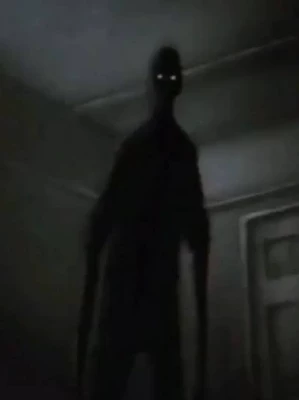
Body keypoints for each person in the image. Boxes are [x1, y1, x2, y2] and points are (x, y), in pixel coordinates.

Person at [77, 45, 210, 400]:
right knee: (112, 379)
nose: (166, 83)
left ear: (178, 83)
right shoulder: (137, 148)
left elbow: (197, 228)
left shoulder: (180, 152)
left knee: (161, 379)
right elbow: (105, 214)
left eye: (171, 76)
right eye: (161, 76)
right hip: (125, 287)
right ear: (153, 83)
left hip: (156, 289)